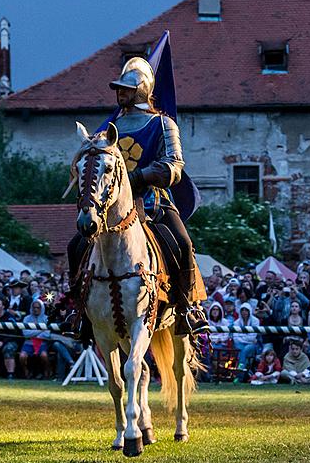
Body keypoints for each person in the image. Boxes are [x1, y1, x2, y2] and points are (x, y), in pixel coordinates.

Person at [65, 56, 208, 338]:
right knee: (75, 246)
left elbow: (173, 166)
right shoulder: (107, 128)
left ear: (141, 90)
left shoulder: (162, 125)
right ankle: (79, 311)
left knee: (182, 243)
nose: (120, 94)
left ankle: (186, 309)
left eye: (126, 89)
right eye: (119, 89)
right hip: (111, 209)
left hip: (153, 203)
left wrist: (135, 178)